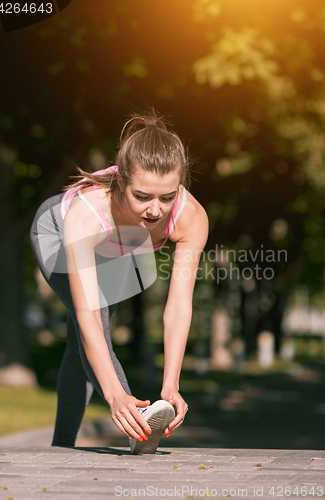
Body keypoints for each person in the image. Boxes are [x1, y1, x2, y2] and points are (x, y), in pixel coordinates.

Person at [30, 111, 208, 454]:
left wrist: (171, 384)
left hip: (115, 249)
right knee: (94, 322)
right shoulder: (86, 215)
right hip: (55, 232)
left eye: (167, 197)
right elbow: (88, 314)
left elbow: (179, 305)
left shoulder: (192, 218)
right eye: (142, 196)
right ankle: (138, 428)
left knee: (77, 345)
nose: (155, 210)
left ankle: (61, 446)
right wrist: (114, 394)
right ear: (121, 183)